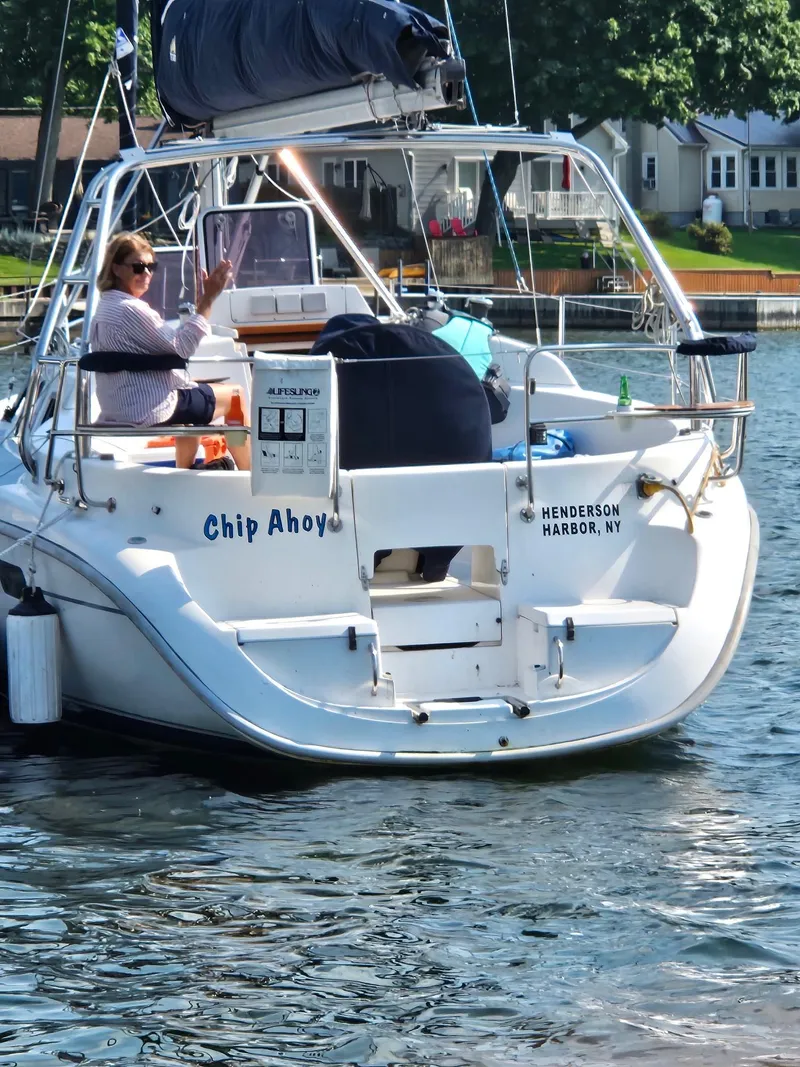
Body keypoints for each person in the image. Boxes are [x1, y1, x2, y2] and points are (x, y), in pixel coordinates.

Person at [89, 232, 250, 470]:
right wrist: (207, 300)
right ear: (116, 269)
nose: (146, 274)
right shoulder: (131, 309)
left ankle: (182, 473)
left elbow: (155, 354)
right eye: (138, 267)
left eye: (150, 267)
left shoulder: (105, 307)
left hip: (118, 405)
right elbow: (183, 348)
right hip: (145, 408)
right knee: (235, 395)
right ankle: (248, 472)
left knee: (193, 393)